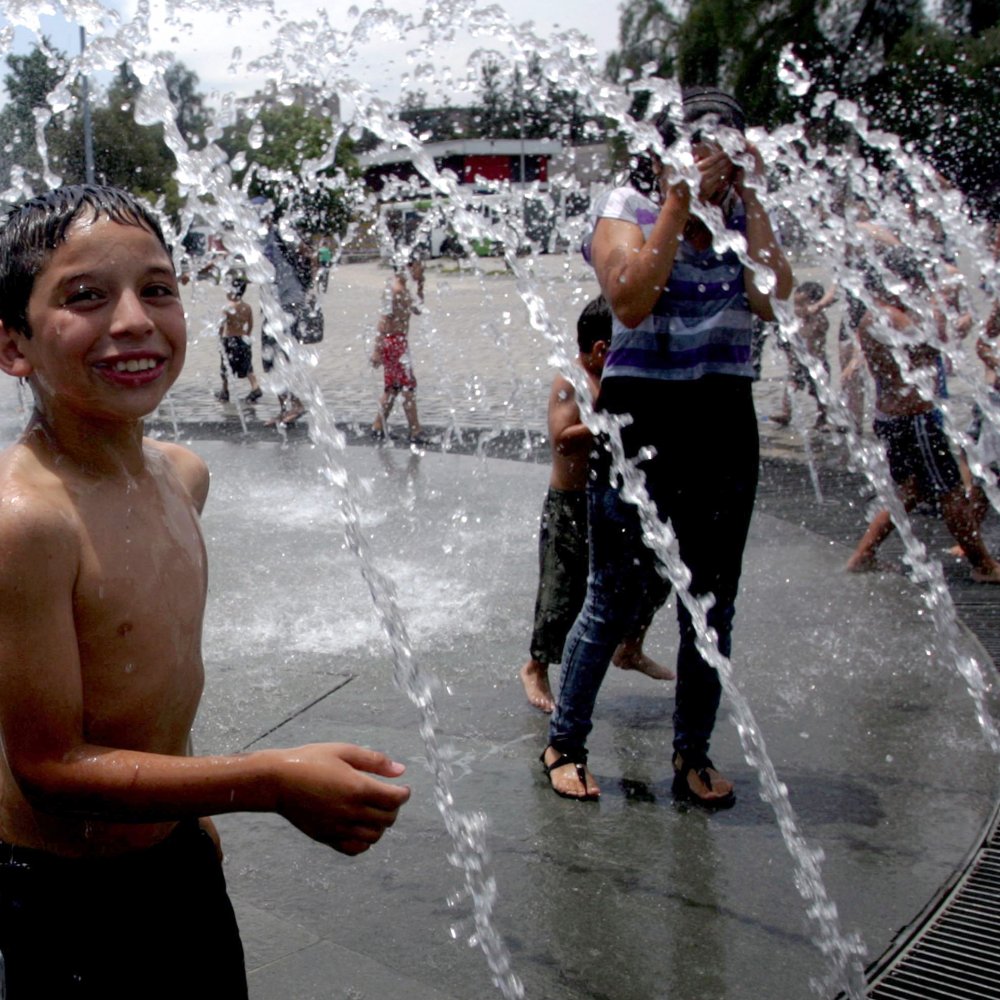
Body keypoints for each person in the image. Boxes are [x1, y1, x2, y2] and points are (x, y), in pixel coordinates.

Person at [0, 185, 410, 997]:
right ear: (14, 346)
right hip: (59, 896)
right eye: (85, 297)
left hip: (177, 859)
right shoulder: (29, 526)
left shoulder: (182, 477)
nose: (133, 320)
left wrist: (195, 813)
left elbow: (148, 689)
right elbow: (48, 765)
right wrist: (265, 780)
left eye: (157, 289)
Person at [541, 87, 793, 805]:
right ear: (662, 150)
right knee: (613, 597)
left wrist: (758, 198)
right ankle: (565, 741)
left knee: (713, 606)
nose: (712, 156)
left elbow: (773, 297)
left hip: (722, 420)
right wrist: (680, 202)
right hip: (642, 424)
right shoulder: (629, 209)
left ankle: (692, 752)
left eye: (725, 142)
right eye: (698, 142)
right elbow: (628, 298)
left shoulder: (743, 216)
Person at [519, 296, 673, 714]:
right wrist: (611, 419)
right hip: (569, 504)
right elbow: (562, 438)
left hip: (611, 498)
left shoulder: (612, 377)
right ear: (603, 349)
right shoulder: (573, 379)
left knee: (658, 573)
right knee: (561, 593)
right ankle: (535, 667)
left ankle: (631, 648)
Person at [845, 247, 1000, 582]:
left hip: (890, 417)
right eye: (913, 283)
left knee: (910, 489)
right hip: (915, 418)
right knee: (951, 492)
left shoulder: (871, 316)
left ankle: (863, 554)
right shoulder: (891, 316)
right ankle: (984, 565)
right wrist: (960, 321)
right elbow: (932, 346)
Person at [371, 259, 425, 444]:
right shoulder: (393, 290)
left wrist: (421, 285)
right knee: (408, 388)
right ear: (408, 266)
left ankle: (378, 426)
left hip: (399, 342)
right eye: (419, 266)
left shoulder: (403, 289)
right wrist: (377, 350)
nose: (421, 269)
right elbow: (383, 321)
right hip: (394, 344)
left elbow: (417, 309)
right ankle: (415, 431)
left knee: (392, 388)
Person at [261, 220, 309, 426]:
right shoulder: (265, 238)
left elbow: (306, 254)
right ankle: (284, 410)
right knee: (271, 359)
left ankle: (296, 405)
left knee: (281, 358)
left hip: (286, 304)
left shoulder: (278, 236)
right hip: (276, 304)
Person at [771, 281, 835, 429]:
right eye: (795, 305)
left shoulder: (819, 320)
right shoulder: (796, 322)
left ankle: (822, 419)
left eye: (801, 305)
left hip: (818, 365)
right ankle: (786, 413)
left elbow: (830, 304)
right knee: (790, 386)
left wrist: (818, 308)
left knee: (821, 395)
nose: (797, 309)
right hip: (798, 363)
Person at [216, 271, 263, 404]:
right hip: (243, 339)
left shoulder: (227, 307)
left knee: (225, 366)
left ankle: (225, 391)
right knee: (247, 365)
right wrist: (247, 335)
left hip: (229, 339)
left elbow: (221, 325)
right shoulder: (247, 307)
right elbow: (251, 324)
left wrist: (220, 337)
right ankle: (255, 387)